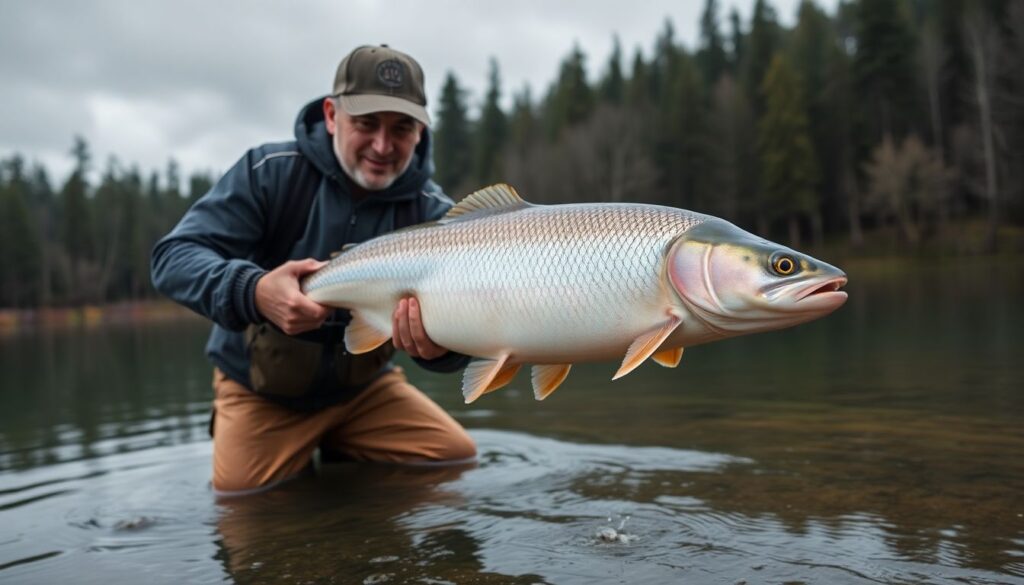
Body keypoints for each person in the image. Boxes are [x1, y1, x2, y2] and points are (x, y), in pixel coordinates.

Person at [151, 44, 477, 495]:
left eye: (401, 128)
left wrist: (440, 351)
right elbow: (173, 257)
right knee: (243, 501)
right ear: (330, 115)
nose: (383, 146)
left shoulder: (437, 215)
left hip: (365, 392)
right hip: (261, 394)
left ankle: (347, 473)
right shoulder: (268, 173)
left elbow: (467, 327)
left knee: (454, 459)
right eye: (366, 124)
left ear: (420, 131)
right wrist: (254, 289)